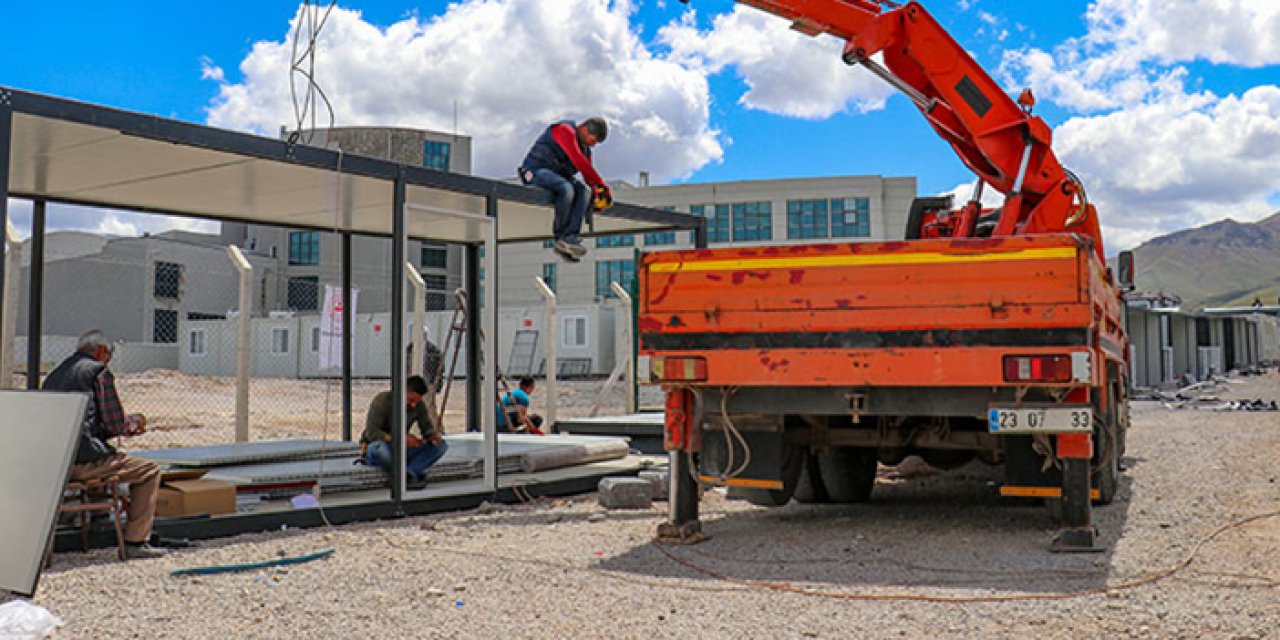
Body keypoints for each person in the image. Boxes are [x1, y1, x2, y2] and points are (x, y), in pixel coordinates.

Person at [42, 330, 167, 559]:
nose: (109, 359)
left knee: (103, 456)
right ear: (101, 351)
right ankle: (136, 541)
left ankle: (98, 516)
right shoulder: (98, 372)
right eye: (109, 354)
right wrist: (134, 424)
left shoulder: (55, 374)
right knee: (148, 470)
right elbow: (114, 423)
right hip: (83, 462)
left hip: (54, 461)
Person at [518, 117, 611, 262]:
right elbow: (579, 162)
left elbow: (588, 178)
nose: (593, 146)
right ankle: (561, 237)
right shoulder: (564, 130)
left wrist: (597, 195)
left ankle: (571, 237)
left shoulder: (585, 150)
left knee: (584, 191)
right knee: (566, 189)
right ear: (585, 130)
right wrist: (603, 184)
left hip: (558, 176)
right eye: (593, 141)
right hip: (535, 171)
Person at [361, 375, 448, 489]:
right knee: (378, 449)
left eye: (416, 402)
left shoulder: (418, 405)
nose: (413, 405)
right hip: (382, 445)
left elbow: (426, 428)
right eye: (410, 400)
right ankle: (404, 474)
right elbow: (371, 433)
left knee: (441, 447)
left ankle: (409, 472)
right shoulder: (382, 401)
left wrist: (433, 436)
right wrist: (400, 439)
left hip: (402, 449)